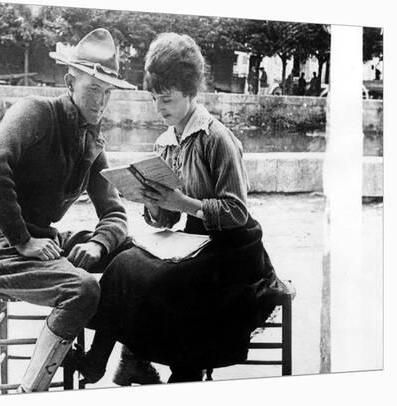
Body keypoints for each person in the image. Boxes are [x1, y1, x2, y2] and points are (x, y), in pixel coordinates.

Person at [68, 32, 282, 384]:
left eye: (167, 99)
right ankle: (108, 360)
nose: (160, 108)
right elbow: (167, 216)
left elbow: (236, 213)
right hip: (194, 241)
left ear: (190, 92)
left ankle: (161, 368)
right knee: (124, 264)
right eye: (154, 99)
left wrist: (180, 202)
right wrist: (150, 203)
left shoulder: (217, 139)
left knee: (159, 282)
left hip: (234, 252)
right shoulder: (166, 142)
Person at [0, 28, 136, 393]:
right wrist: (24, 241)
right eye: (92, 90)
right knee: (84, 289)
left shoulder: (90, 138)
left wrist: (100, 245)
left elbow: (115, 214)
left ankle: (100, 363)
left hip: (41, 240)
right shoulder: (35, 112)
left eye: (107, 94)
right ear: (70, 82)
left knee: (132, 255)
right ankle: (31, 392)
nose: (101, 103)